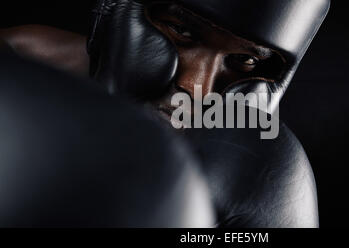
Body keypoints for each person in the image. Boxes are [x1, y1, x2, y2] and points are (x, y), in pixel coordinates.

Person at [0, 0, 330, 227]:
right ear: (113, 10)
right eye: (182, 32)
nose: (197, 90)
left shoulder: (252, 168)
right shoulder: (15, 68)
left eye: (246, 61)